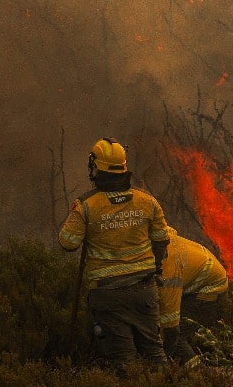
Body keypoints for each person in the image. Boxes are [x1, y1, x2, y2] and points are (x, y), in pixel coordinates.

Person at [59, 138, 170, 364]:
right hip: (144, 292)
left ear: (96, 168)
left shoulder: (86, 205)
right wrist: (154, 269)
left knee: (122, 361)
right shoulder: (147, 201)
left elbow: (68, 243)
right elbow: (161, 241)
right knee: (155, 355)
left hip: (108, 295)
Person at [158, 225, 229, 366]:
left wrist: (162, 357)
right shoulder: (159, 237)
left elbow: (170, 323)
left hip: (209, 290)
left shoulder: (167, 270)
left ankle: (196, 375)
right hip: (199, 279)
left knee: (175, 337)